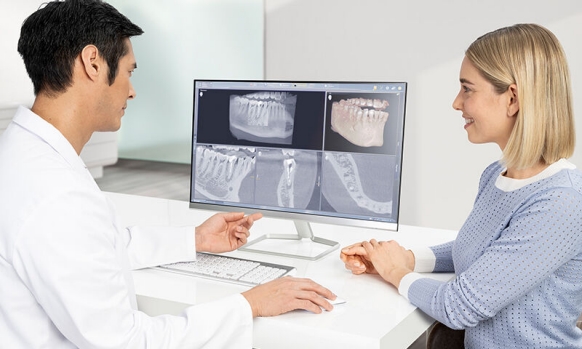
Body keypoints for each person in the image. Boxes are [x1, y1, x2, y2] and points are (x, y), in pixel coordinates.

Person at [0, 0, 338, 348]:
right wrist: (249, 305)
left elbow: (94, 250)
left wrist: (194, 240)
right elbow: (127, 342)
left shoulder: (24, 155)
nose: (132, 90)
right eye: (130, 71)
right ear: (93, 63)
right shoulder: (56, 195)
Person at [341, 23, 582, 348]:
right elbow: (483, 252)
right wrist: (406, 259)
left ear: (512, 99)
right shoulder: (497, 174)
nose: (456, 103)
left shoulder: (561, 201)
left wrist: (396, 272)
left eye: (467, 89)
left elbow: (459, 307)